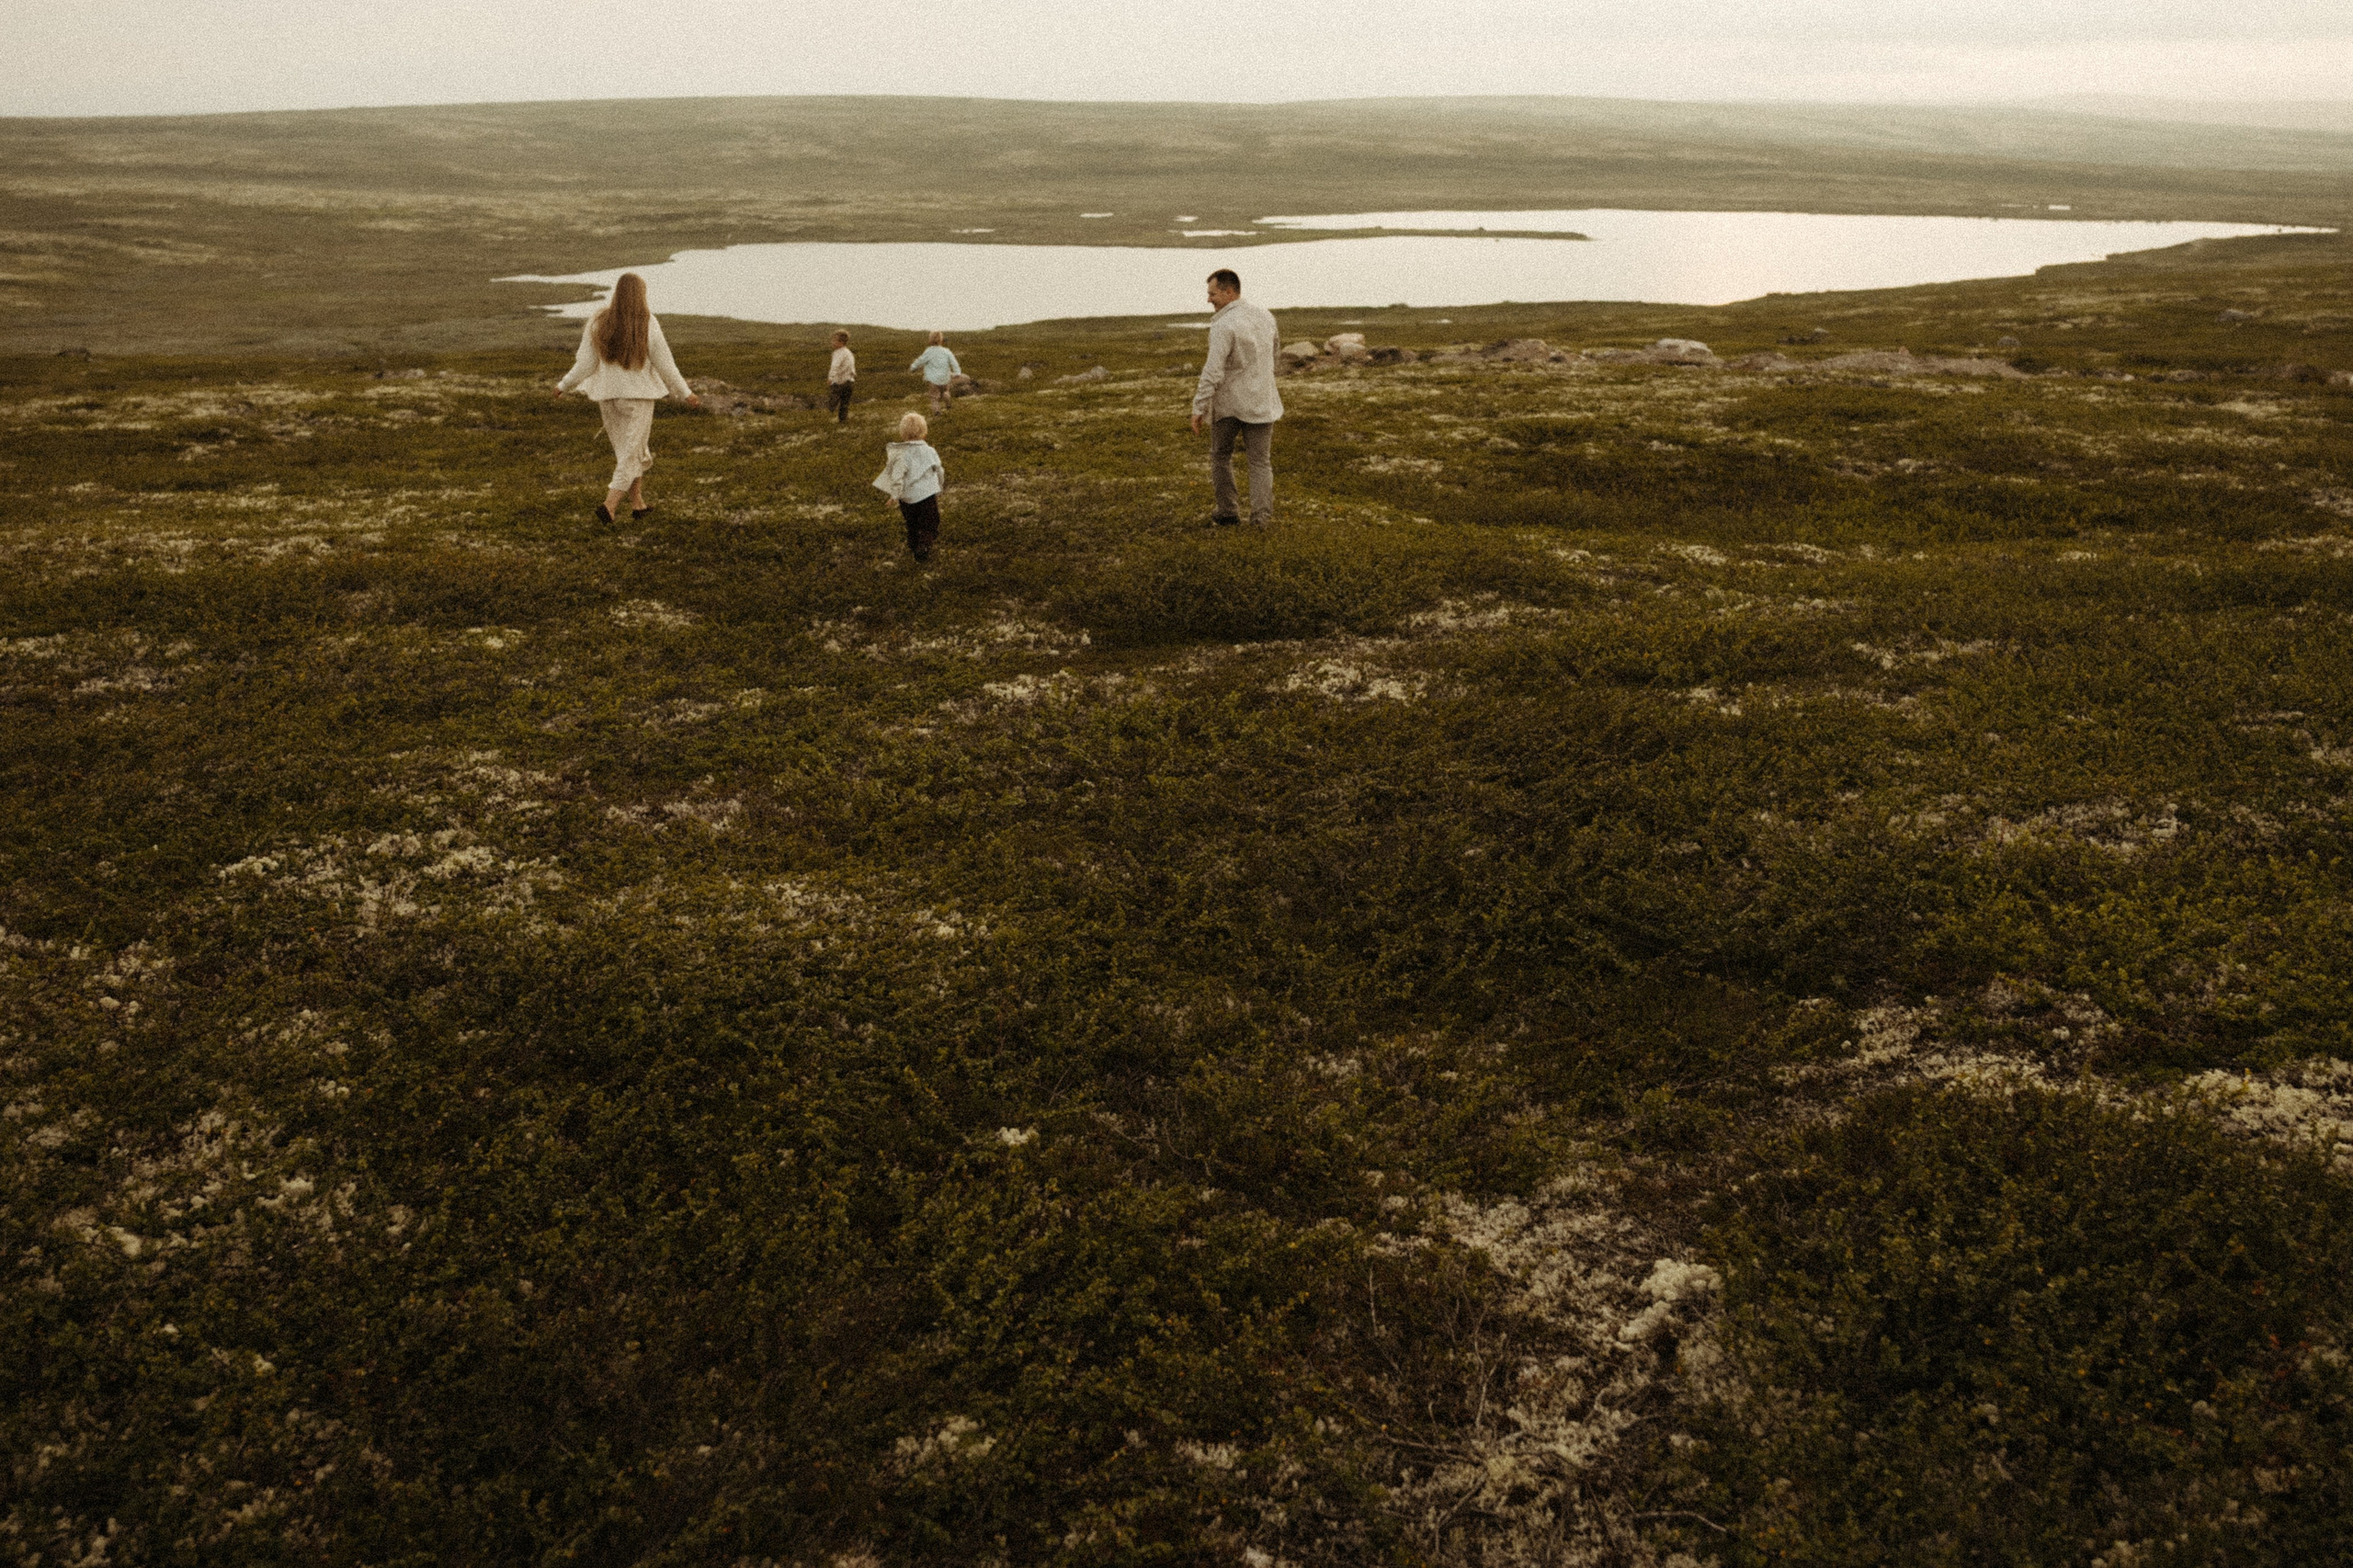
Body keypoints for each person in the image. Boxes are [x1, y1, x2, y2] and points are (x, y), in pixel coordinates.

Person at [551, 272, 699, 522]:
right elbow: (665, 364)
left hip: (608, 397)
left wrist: (564, 385)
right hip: (638, 397)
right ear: (641, 294)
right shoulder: (647, 321)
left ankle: (638, 505)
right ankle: (609, 505)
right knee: (631, 454)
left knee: (630, 451)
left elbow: (585, 363)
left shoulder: (598, 321)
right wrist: (686, 392)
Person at [1189, 268, 1283, 528]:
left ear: (1229, 292)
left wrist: (1199, 406)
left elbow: (1213, 370)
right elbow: (1275, 356)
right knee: (1260, 461)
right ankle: (1261, 519)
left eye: (1212, 293)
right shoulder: (1266, 316)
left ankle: (1228, 511)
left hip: (1229, 403)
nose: (1209, 300)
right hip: (1263, 402)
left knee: (1220, 455)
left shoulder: (1223, 324)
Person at [872, 411, 945, 562]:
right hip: (927, 496)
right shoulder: (930, 451)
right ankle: (924, 546)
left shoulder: (900, 454)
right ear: (924, 433)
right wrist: (940, 484)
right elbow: (939, 469)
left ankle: (913, 543)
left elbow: (897, 477)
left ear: (903, 434)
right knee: (930, 522)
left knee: (912, 522)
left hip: (907, 499)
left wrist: (895, 495)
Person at [909, 332, 962, 416]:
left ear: (930, 340)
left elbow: (920, 360)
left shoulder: (929, 351)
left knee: (934, 397)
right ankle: (948, 404)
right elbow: (954, 362)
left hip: (933, 380)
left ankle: (937, 412)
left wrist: (913, 367)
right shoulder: (946, 351)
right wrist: (957, 372)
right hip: (945, 378)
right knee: (945, 391)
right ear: (941, 340)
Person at [826, 330, 857, 426]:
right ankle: (843, 421)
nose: (832, 343)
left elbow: (835, 366)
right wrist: (853, 374)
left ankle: (829, 411)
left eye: (834, 341)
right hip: (849, 381)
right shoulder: (848, 352)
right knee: (845, 403)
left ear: (841, 342)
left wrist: (830, 377)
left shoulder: (838, 353)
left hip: (840, 381)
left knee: (834, 397)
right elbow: (851, 365)